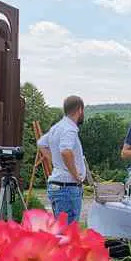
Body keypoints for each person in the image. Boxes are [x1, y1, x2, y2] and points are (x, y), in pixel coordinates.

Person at [38, 95, 87, 224]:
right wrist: (75, 174)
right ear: (80, 110)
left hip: (58, 185)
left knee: (60, 232)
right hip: (68, 187)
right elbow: (66, 151)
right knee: (67, 235)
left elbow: (41, 144)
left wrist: (55, 161)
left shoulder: (57, 127)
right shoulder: (69, 129)